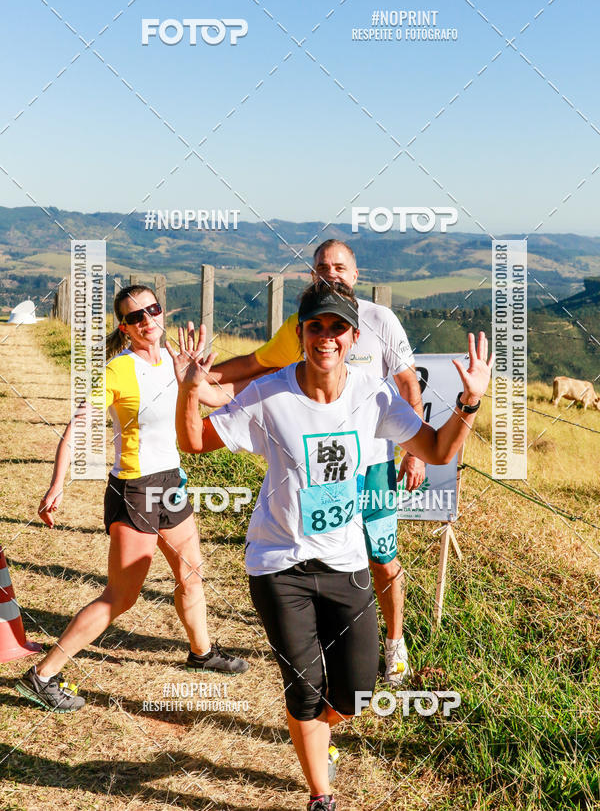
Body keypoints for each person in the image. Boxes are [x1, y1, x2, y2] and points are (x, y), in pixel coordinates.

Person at [168, 281, 493, 811]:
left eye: (337, 327)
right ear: (299, 334)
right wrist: (188, 390)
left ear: (354, 335)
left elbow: (435, 450)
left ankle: (319, 733)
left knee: (356, 691)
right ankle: (321, 793)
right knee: (304, 688)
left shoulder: (373, 391)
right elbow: (194, 442)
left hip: (346, 561)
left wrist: (469, 402)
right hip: (279, 564)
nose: (326, 337)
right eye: (315, 326)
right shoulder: (270, 394)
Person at [16, 284, 248, 713]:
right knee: (121, 597)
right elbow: (77, 428)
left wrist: (218, 378)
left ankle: (201, 653)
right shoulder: (118, 370)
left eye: (152, 310)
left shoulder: (176, 362)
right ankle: (42, 675)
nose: (146, 321)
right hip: (135, 489)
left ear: (163, 312)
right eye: (135, 317)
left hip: (171, 484)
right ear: (124, 327)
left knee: (190, 574)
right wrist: (57, 484)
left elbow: (220, 398)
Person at [208, 239, 425, 684]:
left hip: (375, 464)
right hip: (318, 468)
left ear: (356, 274)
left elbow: (407, 382)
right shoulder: (300, 325)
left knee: (382, 558)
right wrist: (198, 378)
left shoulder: (380, 320)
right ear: (312, 275)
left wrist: (413, 451)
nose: (332, 274)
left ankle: (395, 643)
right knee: (324, 553)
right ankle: (328, 643)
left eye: (340, 267)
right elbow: (255, 365)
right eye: (322, 267)